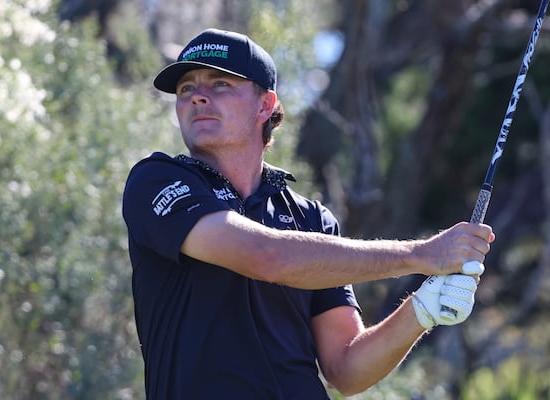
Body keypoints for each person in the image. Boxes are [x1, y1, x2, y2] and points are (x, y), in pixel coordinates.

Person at [122, 28, 495, 399]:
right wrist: (422, 255)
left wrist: (422, 309)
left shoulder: (311, 219)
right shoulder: (157, 181)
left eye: (219, 84)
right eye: (186, 88)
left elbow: (345, 371)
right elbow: (266, 255)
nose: (197, 98)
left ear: (265, 104)